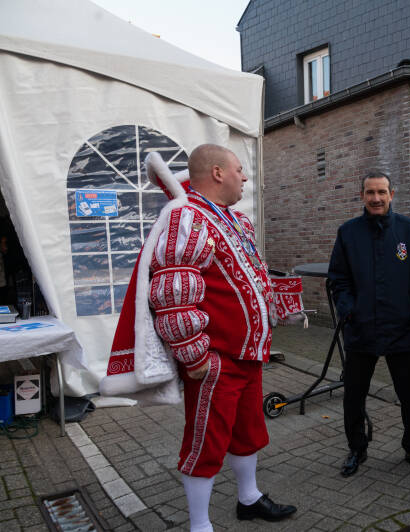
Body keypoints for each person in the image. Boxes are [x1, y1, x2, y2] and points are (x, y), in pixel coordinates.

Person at [108, 145, 296, 532]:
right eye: (239, 170)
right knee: (206, 442)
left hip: (248, 354)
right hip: (217, 359)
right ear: (217, 172)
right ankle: (199, 525)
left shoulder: (235, 221)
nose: (245, 177)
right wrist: (195, 358)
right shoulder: (187, 217)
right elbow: (173, 293)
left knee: (248, 432)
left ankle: (249, 499)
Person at [328, 171, 410, 478]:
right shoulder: (348, 233)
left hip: (402, 330)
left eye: (381, 192)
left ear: (392, 194)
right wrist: (349, 311)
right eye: (370, 192)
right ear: (362, 196)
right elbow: (339, 278)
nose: (376, 198)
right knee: (354, 396)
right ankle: (357, 448)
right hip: (361, 331)